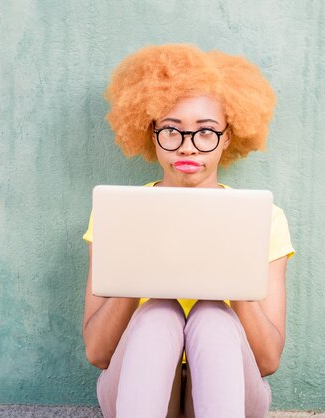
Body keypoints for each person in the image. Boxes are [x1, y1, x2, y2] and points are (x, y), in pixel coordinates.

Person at [82, 43, 295, 418]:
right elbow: (98, 353)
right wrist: (138, 274)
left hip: (229, 392)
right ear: (151, 133)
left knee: (212, 315)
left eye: (206, 132)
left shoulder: (266, 219)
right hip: (136, 390)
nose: (188, 147)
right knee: (159, 313)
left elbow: (267, 361)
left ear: (228, 136)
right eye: (172, 130)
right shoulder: (118, 214)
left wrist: (234, 280)